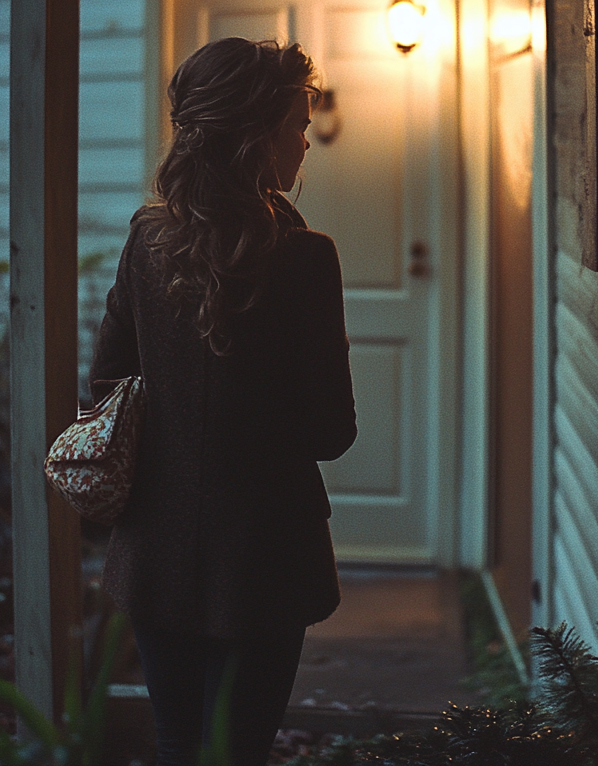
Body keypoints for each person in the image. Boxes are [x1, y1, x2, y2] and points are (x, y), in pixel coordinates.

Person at [89, 37, 357, 766]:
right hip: (267, 556)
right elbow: (332, 432)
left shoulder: (146, 242)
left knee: (179, 744)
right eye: (297, 125)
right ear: (254, 136)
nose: (306, 142)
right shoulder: (306, 260)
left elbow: (107, 383)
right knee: (238, 751)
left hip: (156, 549)